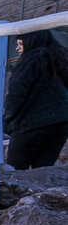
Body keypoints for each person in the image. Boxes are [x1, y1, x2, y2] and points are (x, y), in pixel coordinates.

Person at [4, 30, 68, 169]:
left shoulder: (30, 61)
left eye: (20, 44)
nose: (17, 48)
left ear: (30, 42)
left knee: (15, 171)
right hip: (60, 125)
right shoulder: (60, 59)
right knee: (43, 171)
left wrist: (7, 120)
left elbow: (16, 94)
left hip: (30, 125)